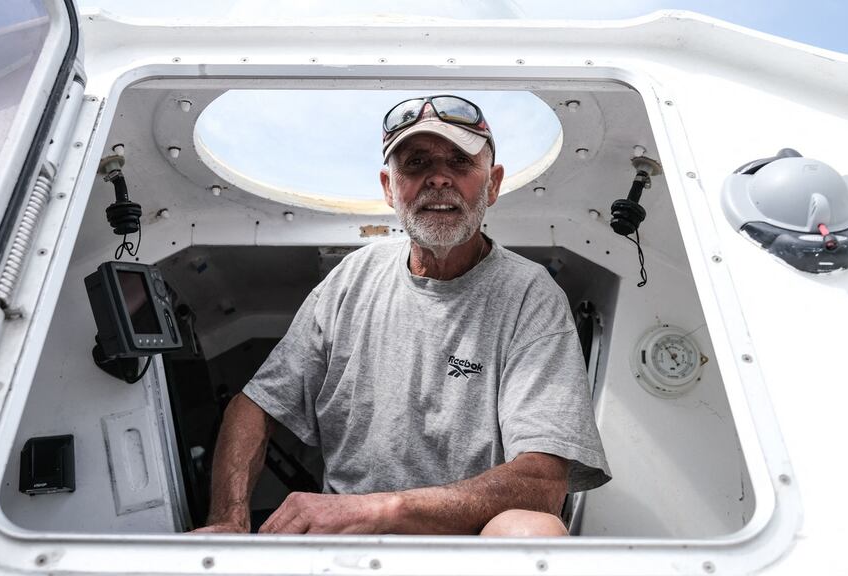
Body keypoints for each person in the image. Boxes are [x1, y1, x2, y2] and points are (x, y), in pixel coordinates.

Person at [194, 95, 610, 537]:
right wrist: (228, 521)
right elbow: (255, 406)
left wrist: (381, 510)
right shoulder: (353, 278)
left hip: (469, 549)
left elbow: (541, 483)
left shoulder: (530, 294)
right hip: (348, 550)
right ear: (390, 188)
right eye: (415, 164)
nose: (437, 178)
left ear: (492, 184)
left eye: (459, 161)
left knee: (532, 532)